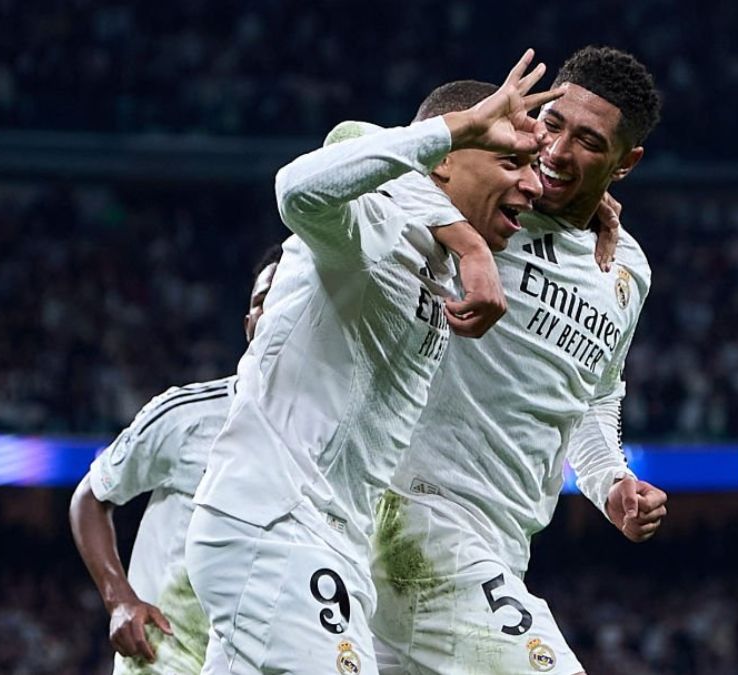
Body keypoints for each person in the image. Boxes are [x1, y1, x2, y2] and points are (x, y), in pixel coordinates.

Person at [185, 50, 562, 675]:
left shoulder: (441, 266)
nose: (531, 182)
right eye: (510, 161)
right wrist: (454, 130)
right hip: (278, 523)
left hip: (333, 545)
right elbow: (295, 189)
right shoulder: (378, 220)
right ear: (443, 158)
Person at [370, 46, 668, 674]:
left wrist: (611, 481)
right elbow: (355, 150)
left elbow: (593, 394)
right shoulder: (488, 198)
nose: (557, 153)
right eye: (552, 124)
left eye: (589, 141)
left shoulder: (627, 270)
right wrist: (467, 246)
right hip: (420, 514)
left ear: (626, 163)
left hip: (504, 542)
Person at [68, 245, 283, 675]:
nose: (274, 310)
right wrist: (119, 600)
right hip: (164, 660)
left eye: (287, 297)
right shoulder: (187, 414)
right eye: (262, 300)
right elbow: (90, 497)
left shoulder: (336, 442)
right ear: (247, 325)